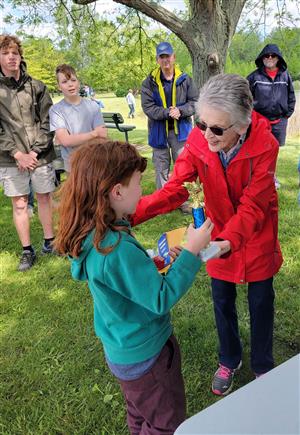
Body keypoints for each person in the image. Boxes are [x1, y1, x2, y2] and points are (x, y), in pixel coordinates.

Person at [132, 73, 283, 396]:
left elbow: (255, 205)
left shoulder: (266, 145)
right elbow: (176, 188)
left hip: (255, 236)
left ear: (242, 126)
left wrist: (227, 242)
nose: (206, 136)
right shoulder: (201, 139)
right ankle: (229, 358)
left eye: (217, 129)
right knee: (221, 299)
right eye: (201, 124)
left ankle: (263, 366)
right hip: (216, 236)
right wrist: (132, 214)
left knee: (261, 302)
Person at [55, 140, 214, 434]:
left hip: (123, 354)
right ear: (116, 191)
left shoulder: (95, 235)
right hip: (149, 357)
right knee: (164, 424)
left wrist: (156, 262)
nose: (143, 190)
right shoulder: (115, 248)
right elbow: (159, 297)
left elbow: (122, 281)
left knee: (140, 415)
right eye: (139, 183)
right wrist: (191, 251)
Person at [0, 34, 56, 271]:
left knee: (44, 197)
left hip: (40, 155)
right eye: (5, 53)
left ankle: (50, 241)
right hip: (11, 159)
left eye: (14, 53)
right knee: (20, 204)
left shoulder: (37, 86)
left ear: (20, 56)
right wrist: (17, 153)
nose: (11, 57)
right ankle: (26, 250)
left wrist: (34, 152)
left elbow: (48, 120)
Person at [141, 41, 198, 211]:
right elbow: (148, 108)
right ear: (158, 59)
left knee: (185, 168)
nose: (166, 60)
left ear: (174, 57)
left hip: (181, 132)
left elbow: (195, 102)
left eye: (168, 56)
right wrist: (168, 112)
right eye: (162, 57)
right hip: (158, 133)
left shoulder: (185, 79)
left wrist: (180, 111)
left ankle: (186, 201)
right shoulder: (149, 82)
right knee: (161, 168)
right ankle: (165, 203)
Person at [247, 44, 296, 188]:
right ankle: (254, 178)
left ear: (278, 58)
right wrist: (251, 117)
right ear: (262, 58)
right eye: (266, 56)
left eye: (273, 56)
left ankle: (271, 178)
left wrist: (286, 115)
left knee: (273, 151)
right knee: (258, 150)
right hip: (259, 121)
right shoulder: (254, 77)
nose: (269, 58)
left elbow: (291, 97)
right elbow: (244, 98)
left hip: (279, 121)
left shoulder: (285, 76)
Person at [49, 64, 107, 173]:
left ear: (78, 82)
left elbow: (102, 137)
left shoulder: (93, 106)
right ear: (59, 86)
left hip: (96, 163)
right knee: (77, 191)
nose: (70, 84)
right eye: (64, 82)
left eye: (73, 80)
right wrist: (94, 134)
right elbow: (66, 140)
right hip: (73, 166)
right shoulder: (56, 110)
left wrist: (75, 139)